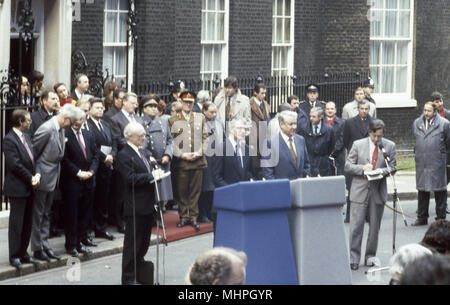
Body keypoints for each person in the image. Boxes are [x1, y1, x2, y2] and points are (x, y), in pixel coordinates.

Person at [31, 103, 81, 262]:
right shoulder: (47, 129)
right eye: (71, 122)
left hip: (53, 176)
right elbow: (34, 154)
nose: (71, 125)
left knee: (46, 213)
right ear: (66, 118)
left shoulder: (60, 129)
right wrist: (37, 174)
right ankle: (37, 248)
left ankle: (45, 245)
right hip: (43, 176)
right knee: (38, 214)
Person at [344, 119, 396, 271]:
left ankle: (370, 257)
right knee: (356, 227)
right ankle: (354, 258)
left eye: (379, 136)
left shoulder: (389, 146)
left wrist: (383, 171)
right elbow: (347, 165)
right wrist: (362, 169)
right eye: (374, 136)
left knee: (374, 227)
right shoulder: (358, 145)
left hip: (377, 192)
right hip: (359, 190)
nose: (377, 140)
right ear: (369, 133)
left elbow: (393, 167)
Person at [116, 122, 163, 285]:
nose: (144, 138)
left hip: (148, 204)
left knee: (143, 243)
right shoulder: (124, 155)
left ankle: (138, 273)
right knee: (132, 244)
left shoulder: (143, 152)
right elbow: (130, 179)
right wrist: (151, 177)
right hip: (136, 205)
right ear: (129, 136)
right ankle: (128, 278)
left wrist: (155, 173)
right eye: (140, 135)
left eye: (144, 135)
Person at [3, 110, 41, 269]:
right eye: (28, 121)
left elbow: (35, 158)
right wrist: (30, 177)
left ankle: (24, 253)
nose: (30, 123)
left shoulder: (27, 137)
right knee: (17, 223)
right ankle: (14, 255)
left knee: (27, 222)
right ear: (20, 122)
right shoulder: (9, 140)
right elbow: (15, 164)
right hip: (18, 187)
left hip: (31, 185)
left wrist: (37, 173)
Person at [60, 110, 99, 257]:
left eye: (81, 119)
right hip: (73, 181)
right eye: (76, 119)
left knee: (85, 213)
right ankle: (71, 244)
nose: (78, 122)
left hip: (89, 178)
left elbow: (95, 154)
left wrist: (92, 171)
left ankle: (81, 241)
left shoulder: (88, 134)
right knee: (72, 214)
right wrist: (78, 172)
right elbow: (64, 159)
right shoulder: (65, 134)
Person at [168, 91, 208, 231]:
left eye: (190, 103)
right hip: (182, 162)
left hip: (197, 161)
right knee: (182, 191)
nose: (188, 105)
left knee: (195, 191)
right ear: (181, 102)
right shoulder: (173, 120)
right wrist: (181, 154)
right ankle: (183, 216)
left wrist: (200, 152)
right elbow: (171, 141)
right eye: (186, 102)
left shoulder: (200, 117)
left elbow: (205, 138)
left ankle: (193, 217)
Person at [412, 101, 450, 226]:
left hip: (437, 162)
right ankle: (422, 217)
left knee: (439, 189)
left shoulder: (444, 124)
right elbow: (416, 141)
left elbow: (448, 143)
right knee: (422, 189)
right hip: (422, 162)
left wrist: (443, 158)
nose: (426, 113)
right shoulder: (417, 123)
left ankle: (440, 218)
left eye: (429, 111)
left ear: (435, 111)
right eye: (424, 110)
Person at [110, 92, 140, 233]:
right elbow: (118, 139)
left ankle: (130, 219)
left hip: (137, 159)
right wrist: (134, 145)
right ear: (125, 103)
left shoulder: (137, 119)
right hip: (124, 159)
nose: (136, 105)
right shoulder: (116, 119)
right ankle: (119, 221)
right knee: (120, 193)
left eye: (136, 103)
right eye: (133, 103)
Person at [87, 98, 116, 241]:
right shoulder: (87, 125)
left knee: (104, 198)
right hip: (95, 166)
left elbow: (114, 141)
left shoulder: (106, 124)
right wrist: (104, 157)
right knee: (92, 199)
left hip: (107, 166)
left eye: (101, 108)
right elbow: (92, 147)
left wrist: (112, 155)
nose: (100, 110)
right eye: (97, 107)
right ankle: (89, 229)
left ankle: (101, 227)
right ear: (90, 109)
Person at [141, 95, 174, 205]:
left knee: (162, 196)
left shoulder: (164, 122)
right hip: (150, 162)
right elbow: (140, 144)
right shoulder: (140, 122)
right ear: (144, 108)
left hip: (163, 161)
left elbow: (170, 140)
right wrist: (149, 156)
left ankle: (160, 217)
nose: (154, 108)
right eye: (150, 106)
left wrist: (168, 155)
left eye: (155, 106)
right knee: (151, 195)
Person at [261, 110, 311, 180]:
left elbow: (306, 164)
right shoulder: (270, 143)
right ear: (281, 124)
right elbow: (268, 172)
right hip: (281, 188)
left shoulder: (300, 140)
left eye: (295, 123)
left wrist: (306, 178)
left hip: (300, 187)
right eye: (291, 124)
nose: (294, 127)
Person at [198, 102, 224, 223]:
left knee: (214, 186)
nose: (214, 114)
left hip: (217, 158)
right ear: (204, 111)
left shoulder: (219, 123)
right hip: (206, 157)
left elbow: (223, 139)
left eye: (215, 112)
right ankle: (202, 213)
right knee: (205, 187)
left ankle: (210, 211)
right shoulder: (200, 123)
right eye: (211, 112)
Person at [214, 118, 253, 187]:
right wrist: (230, 190)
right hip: (228, 193)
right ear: (231, 129)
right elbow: (216, 177)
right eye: (239, 128)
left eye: (244, 129)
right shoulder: (221, 148)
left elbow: (249, 173)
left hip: (245, 192)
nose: (243, 131)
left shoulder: (247, 149)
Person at [299, 106, 335, 177]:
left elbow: (331, 146)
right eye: (310, 116)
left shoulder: (329, 130)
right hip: (309, 162)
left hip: (323, 163)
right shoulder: (304, 129)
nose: (311, 118)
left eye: (314, 116)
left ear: (320, 117)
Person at [324, 101, 346, 176]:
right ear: (324, 110)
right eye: (328, 109)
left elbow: (342, 139)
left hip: (338, 155)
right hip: (324, 154)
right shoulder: (321, 122)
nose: (330, 111)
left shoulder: (342, 122)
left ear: (335, 110)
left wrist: (333, 151)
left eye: (332, 109)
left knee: (338, 176)